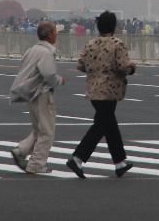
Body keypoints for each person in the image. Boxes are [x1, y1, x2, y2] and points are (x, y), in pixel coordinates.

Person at [66, 11, 136, 179]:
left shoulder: (91, 43)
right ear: (113, 26)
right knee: (101, 125)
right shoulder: (117, 44)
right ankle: (78, 157)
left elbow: (81, 65)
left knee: (109, 124)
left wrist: (95, 69)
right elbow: (123, 66)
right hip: (110, 90)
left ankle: (120, 162)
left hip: (93, 89)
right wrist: (132, 67)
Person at [8, 21, 66, 174]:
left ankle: (21, 150)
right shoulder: (46, 53)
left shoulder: (32, 49)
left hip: (31, 93)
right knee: (47, 131)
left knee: (38, 129)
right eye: (55, 32)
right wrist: (59, 80)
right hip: (43, 93)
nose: (56, 35)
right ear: (50, 35)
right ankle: (36, 164)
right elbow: (48, 74)